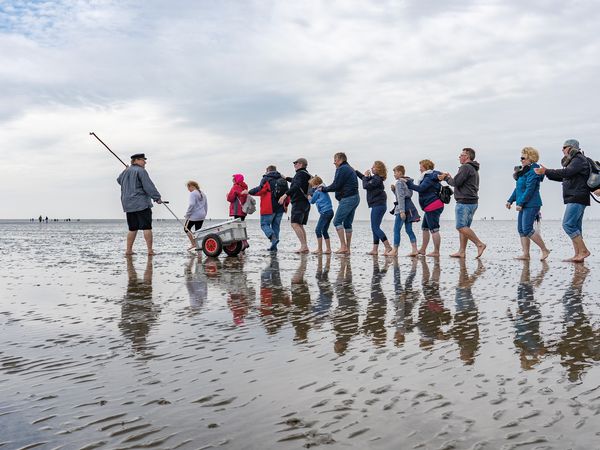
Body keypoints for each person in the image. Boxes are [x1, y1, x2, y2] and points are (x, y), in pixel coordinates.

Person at [534, 139, 591, 262]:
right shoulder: (574, 161)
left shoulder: (578, 159)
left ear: (571, 148)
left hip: (577, 196)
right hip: (577, 196)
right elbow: (565, 177)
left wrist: (547, 171)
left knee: (568, 224)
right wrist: (546, 173)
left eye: (564, 147)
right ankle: (578, 255)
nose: (562, 150)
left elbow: (566, 172)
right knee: (575, 226)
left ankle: (584, 251)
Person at [439, 148, 486, 258]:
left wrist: (446, 178)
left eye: (461, 155)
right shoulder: (473, 168)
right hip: (473, 202)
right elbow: (458, 181)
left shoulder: (465, 167)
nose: (459, 157)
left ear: (467, 157)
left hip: (464, 202)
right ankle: (462, 251)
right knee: (465, 228)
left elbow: (456, 183)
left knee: (460, 227)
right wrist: (449, 177)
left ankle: (479, 244)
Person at [506, 147, 551, 261]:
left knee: (527, 229)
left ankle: (545, 250)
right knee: (521, 229)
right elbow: (518, 189)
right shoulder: (524, 171)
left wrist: (520, 203)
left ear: (531, 158)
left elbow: (530, 189)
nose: (521, 160)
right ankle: (526, 254)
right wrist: (510, 200)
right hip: (523, 204)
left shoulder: (534, 171)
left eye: (523, 158)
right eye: (520, 158)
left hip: (532, 204)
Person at [117, 153, 162, 255]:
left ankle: (128, 250)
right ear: (136, 160)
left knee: (132, 228)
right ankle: (150, 251)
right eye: (143, 160)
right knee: (147, 227)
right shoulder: (141, 171)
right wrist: (157, 197)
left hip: (128, 204)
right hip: (141, 203)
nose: (145, 162)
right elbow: (148, 186)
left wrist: (125, 170)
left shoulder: (125, 171)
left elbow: (119, 181)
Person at [321, 152, 360, 254]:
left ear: (340, 159)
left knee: (337, 221)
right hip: (355, 198)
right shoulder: (349, 168)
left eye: (335, 160)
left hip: (348, 198)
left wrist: (324, 189)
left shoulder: (342, 169)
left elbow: (336, 185)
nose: (334, 163)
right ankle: (348, 249)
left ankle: (343, 246)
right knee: (347, 223)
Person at [405, 160, 444, 257]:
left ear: (425, 166)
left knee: (434, 229)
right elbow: (437, 175)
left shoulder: (429, 177)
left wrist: (409, 183)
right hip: (430, 206)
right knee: (425, 228)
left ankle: (436, 252)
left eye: (421, 166)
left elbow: (421, 188)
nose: (419, 168)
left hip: (433, 206)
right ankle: (422, 250)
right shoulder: (430, 175)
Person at [244, 165, 286, 252]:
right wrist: (286, 205)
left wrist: (249, 192)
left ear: (268, 170)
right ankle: (274, 247)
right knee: (276, 226)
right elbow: (287, 193)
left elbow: (260, 190)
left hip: (268, 207)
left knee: (264, 225)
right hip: (280, 207)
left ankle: (272, 238)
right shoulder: (282, 179)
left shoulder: (266, 179)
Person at [356, 161, 392, 255]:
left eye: (373, 167)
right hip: (377, 205)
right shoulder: (375, 178)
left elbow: (365, 185)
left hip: (378, 205)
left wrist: (365, 176)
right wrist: (355, 171)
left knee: (375, 227)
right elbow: (365, 179)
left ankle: (388, 247)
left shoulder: (377, 179)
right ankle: (375, 249)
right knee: (375, 227)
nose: (371, 168)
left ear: (378, 169)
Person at [279, 158, 311, 253]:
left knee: (294, 224)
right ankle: (305, 246)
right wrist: (286, 178)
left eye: (295, 163)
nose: (294, 165)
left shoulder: (300, 174)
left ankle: (304, 246)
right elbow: (296, 182)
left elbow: (296, 186)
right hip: (306, 203)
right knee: (299, 225)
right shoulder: (306, 174)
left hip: (299, 202)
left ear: (300, 164)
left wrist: (285, 195)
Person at [388, 165, 419, 257]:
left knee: (396, 229)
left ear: (400, 173)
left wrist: (401, 211)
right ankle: (415, 250)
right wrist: (394, 191)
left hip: (401, 208)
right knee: (409, 230)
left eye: (395, 172)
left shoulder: (399, 183)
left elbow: (401, 198)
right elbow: (408, 195)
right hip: (409, 207)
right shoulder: (408, 182)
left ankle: (395, 250)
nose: (394, 174)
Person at [308, 175, 334, 254]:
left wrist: (309, 198)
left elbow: (312, 201)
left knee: (318, 230)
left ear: (316, 184)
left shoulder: (317, 191)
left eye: (312, 185)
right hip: (330, 211)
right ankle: (328, 249)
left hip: (325, 212)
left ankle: (319, 249)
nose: (312, 187)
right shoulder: (323, 188)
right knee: (324, 230)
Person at [226, 174, 249, 250]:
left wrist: (227, 196)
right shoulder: (245, 187)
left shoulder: (235, 186)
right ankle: (244, 241)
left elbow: (230, 198)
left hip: (237, 209)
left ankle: (242, 243)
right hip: (243, 210)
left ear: (237, 179)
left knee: (238, 227)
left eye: (234, 178)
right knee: (242, 225)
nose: (233, 180)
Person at [183, 180, 208, 251]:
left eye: (188, 188)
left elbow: (191, 204)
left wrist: (187, 214)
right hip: (202, 215)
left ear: (192, 186)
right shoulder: (203, 193)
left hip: (194, 215)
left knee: (186, 228)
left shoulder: (193, 193)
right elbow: (206, 205)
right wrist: (204, 214)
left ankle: (193, 244)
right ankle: (198, 245)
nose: (188, 190)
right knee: (198, 231)